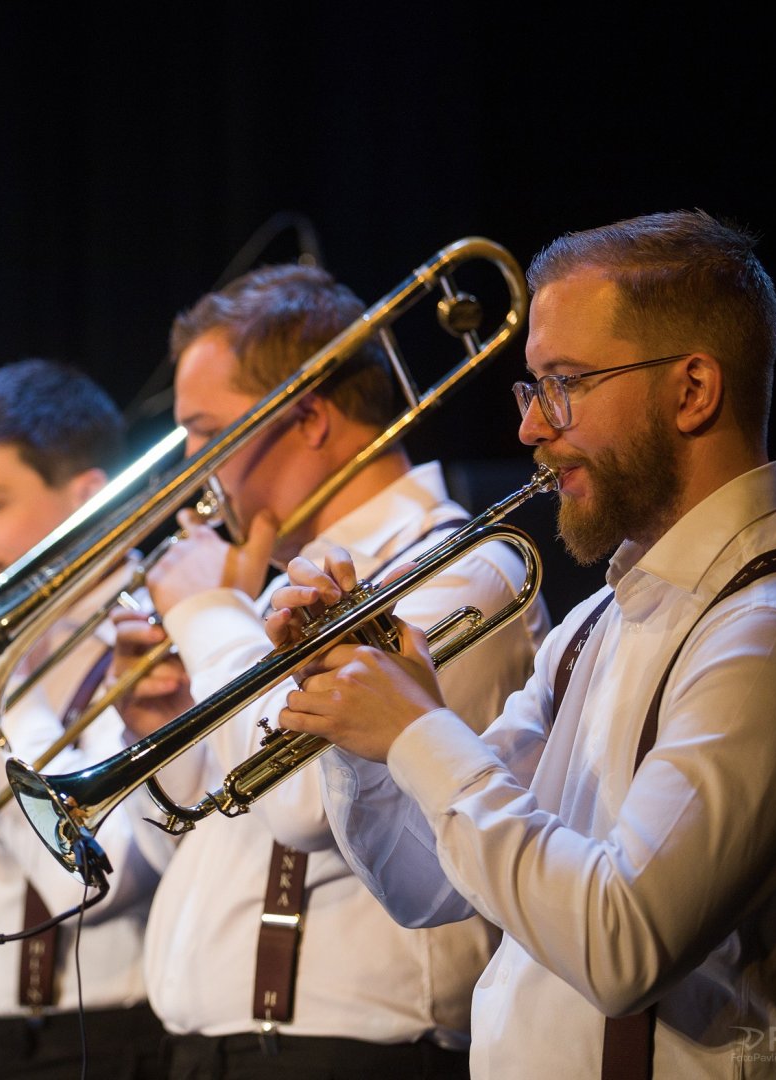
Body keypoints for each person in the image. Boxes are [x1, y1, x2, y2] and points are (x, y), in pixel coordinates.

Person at [269, 210, 776, 1078]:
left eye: (566, 383)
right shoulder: (594, 623)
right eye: (533, 388)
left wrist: (420, 730)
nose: (531, 427)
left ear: (693, 391)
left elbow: (622, 944)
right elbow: (426, 884)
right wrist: (363, 716)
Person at [110, 262, 550, 1079]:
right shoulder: (268, 592)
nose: (191, 471)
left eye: (207, 432)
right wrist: (157, 730)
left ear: (309, 418)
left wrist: (208, 617)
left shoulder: (462, 568)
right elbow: (199, 848)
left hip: (352, 1054)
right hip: (216, 1050)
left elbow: (305, 808)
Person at [0, 358, 167, 1080]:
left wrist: (2, 690)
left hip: (90, 1046)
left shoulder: (155, 636)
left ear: (87, 498)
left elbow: (89, 882)